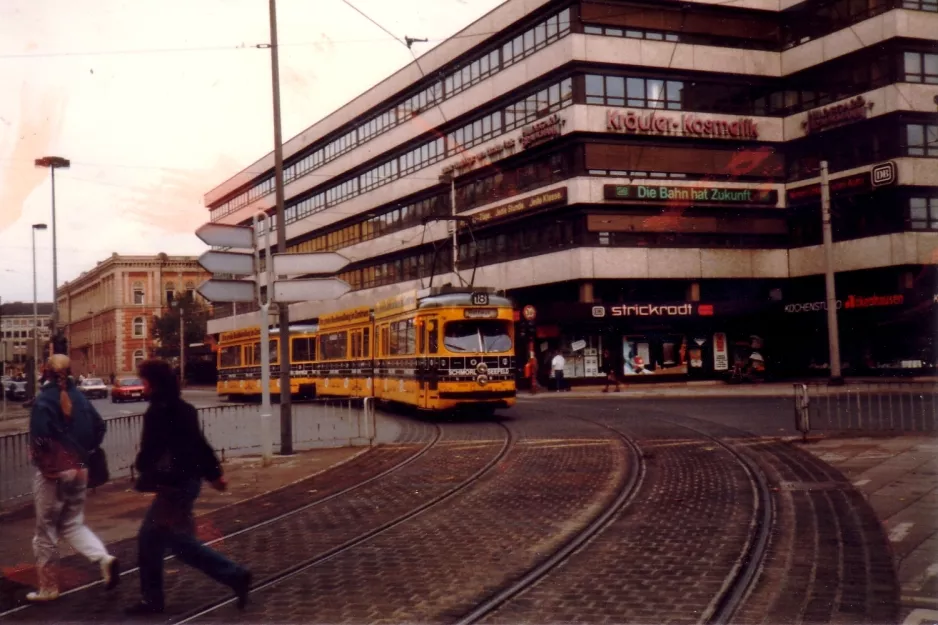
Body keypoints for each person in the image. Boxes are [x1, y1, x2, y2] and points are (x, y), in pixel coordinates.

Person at [126, 358, 251, 616]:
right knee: (161, 541)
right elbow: (199, 444)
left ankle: (235, 575)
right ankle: (154, 599)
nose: (142, 385)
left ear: (152, 382)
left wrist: (141, 467)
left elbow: (151, 451)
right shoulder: (185, 409)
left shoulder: (158, 411)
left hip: (173, 487)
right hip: (187, 483)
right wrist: (215, 475)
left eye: (144, 380)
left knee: (171, 543)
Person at [27, 354, 119, 602]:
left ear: (45, 371)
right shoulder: (80, 398)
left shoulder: (44, 400)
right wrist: (85, 450)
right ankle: (103, 559)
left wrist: (45, 463)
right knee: (72, 523)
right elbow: (99, 426)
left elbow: (39, 437)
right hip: (81, 468)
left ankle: (48, 588)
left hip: (54, 473)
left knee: (45, 531)